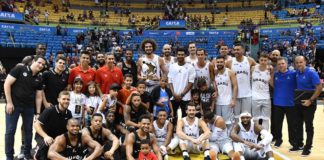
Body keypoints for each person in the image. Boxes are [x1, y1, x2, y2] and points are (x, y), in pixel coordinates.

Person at [4, 55, 45, 160]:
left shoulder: (39, 78)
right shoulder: (19, 68)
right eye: (39, 62)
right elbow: (7, 84)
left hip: (28, 107)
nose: (41, 65)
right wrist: (9, 102)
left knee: (28, 131)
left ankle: (27, 154)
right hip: (14, 105)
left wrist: (38, 113)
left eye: (43, 64)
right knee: (10, 131)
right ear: (33, 61)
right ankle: (9, 156)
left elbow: (39, 97)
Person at [294, 56, 322, 156]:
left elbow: (319, 87)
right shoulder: (296, 72)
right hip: (299, 103)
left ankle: (308, 147)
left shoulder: (311, 72)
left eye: (301, 62)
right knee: (298, 124)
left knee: (308, 126)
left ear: (305, 62)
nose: (299, 64)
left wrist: (310, 100)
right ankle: (299, 144)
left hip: (309, 103)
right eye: (297, 63)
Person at [34, 91, 73, 160]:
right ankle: (36, 153)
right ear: (58, 100)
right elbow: (36, 124)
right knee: (45, 148)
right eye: (64, 99)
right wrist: (45, 136)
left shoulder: (69, 113)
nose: (66, 101)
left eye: (68, 99)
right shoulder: (49, 110)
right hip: (44, 136)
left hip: (57, 138)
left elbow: (69, 130)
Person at [270, 57, 297, 148]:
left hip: (291, 104)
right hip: (278, 103)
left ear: (287, 64)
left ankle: (293, 141)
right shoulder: (276, 74)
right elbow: (272, 84)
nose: (281, 65)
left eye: (283, 63)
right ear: (277, 66)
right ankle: (278, 140)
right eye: (279, 64)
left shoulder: (293, 73)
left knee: (292, 125)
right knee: (277, 124)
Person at [225, 43, 256, 122]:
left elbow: (258, 68)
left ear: (243, 50)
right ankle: (237, 134)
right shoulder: (229, 62)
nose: (236, 51)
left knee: (247, 117)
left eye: (238, 50)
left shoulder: (250, 60)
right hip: (235, 95)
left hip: (247, 94)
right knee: (236, 118)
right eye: (234, 50)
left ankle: (247, 134)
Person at [168, 47, 196, 118]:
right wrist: (173, 93)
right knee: (172, 116)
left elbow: (191, 83)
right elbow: (170, 81)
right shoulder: (172, 66)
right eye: (179, 54)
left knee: (186, 117)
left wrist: (182, 95)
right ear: (176, 55)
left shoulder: (190, 67)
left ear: (185, 55)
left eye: (182, 54)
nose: (180, 56)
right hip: (173, 97)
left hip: (185, 97)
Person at [214, 55, 237, 130]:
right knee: (218, 121)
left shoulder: (230, 72)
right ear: (216, 63)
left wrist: (233, 99)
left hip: (227, 102)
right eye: (218, 62)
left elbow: (235, 86)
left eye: (221, 62)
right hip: (218, 102)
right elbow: (215, 87)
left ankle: (230, 139)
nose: (219, 63)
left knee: (229, 122)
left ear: (224, 62)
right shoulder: (215, 73)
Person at [251, 53, 273, 131]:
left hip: (266, 97)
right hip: (255, 97)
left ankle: (265, 139)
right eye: (261, 60)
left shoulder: (270, 69)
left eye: (265, 60)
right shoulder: (253, 68)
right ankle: (255, 138)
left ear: (268, 61)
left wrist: (272, 74)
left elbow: (272, 84)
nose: (263, 62)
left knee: (266, 119)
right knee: (255, 119)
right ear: (259, 60)